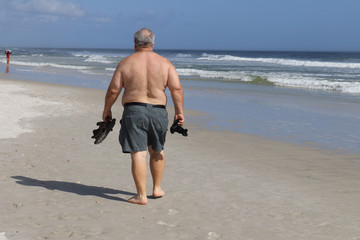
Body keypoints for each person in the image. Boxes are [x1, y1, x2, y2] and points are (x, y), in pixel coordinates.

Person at [102, 28, 185, 205]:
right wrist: (179, 112)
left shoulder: (126, 63)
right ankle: (157, 188)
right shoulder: (165, 63)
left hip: (134, 110)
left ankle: (141, 196)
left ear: (134, 44)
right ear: (153, 43)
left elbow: (114, 90)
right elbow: (176, 89)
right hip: (158, 111)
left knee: (138, 154)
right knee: (157, 149)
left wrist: (107, 110)